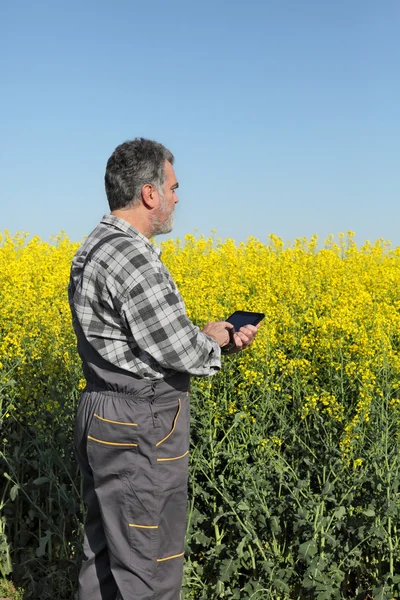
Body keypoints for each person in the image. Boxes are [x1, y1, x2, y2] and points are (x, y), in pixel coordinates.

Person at [68, 138, 260, 600]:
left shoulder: (95, 245)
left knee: (105, 556)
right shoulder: (134, 258)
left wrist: (204, 337)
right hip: (141, 422)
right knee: (148, 565)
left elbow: (145, 338)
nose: (178, 197)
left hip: (102, 411)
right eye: (173, 187)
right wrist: (218, 340)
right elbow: (178, 349)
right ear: (150, 193)